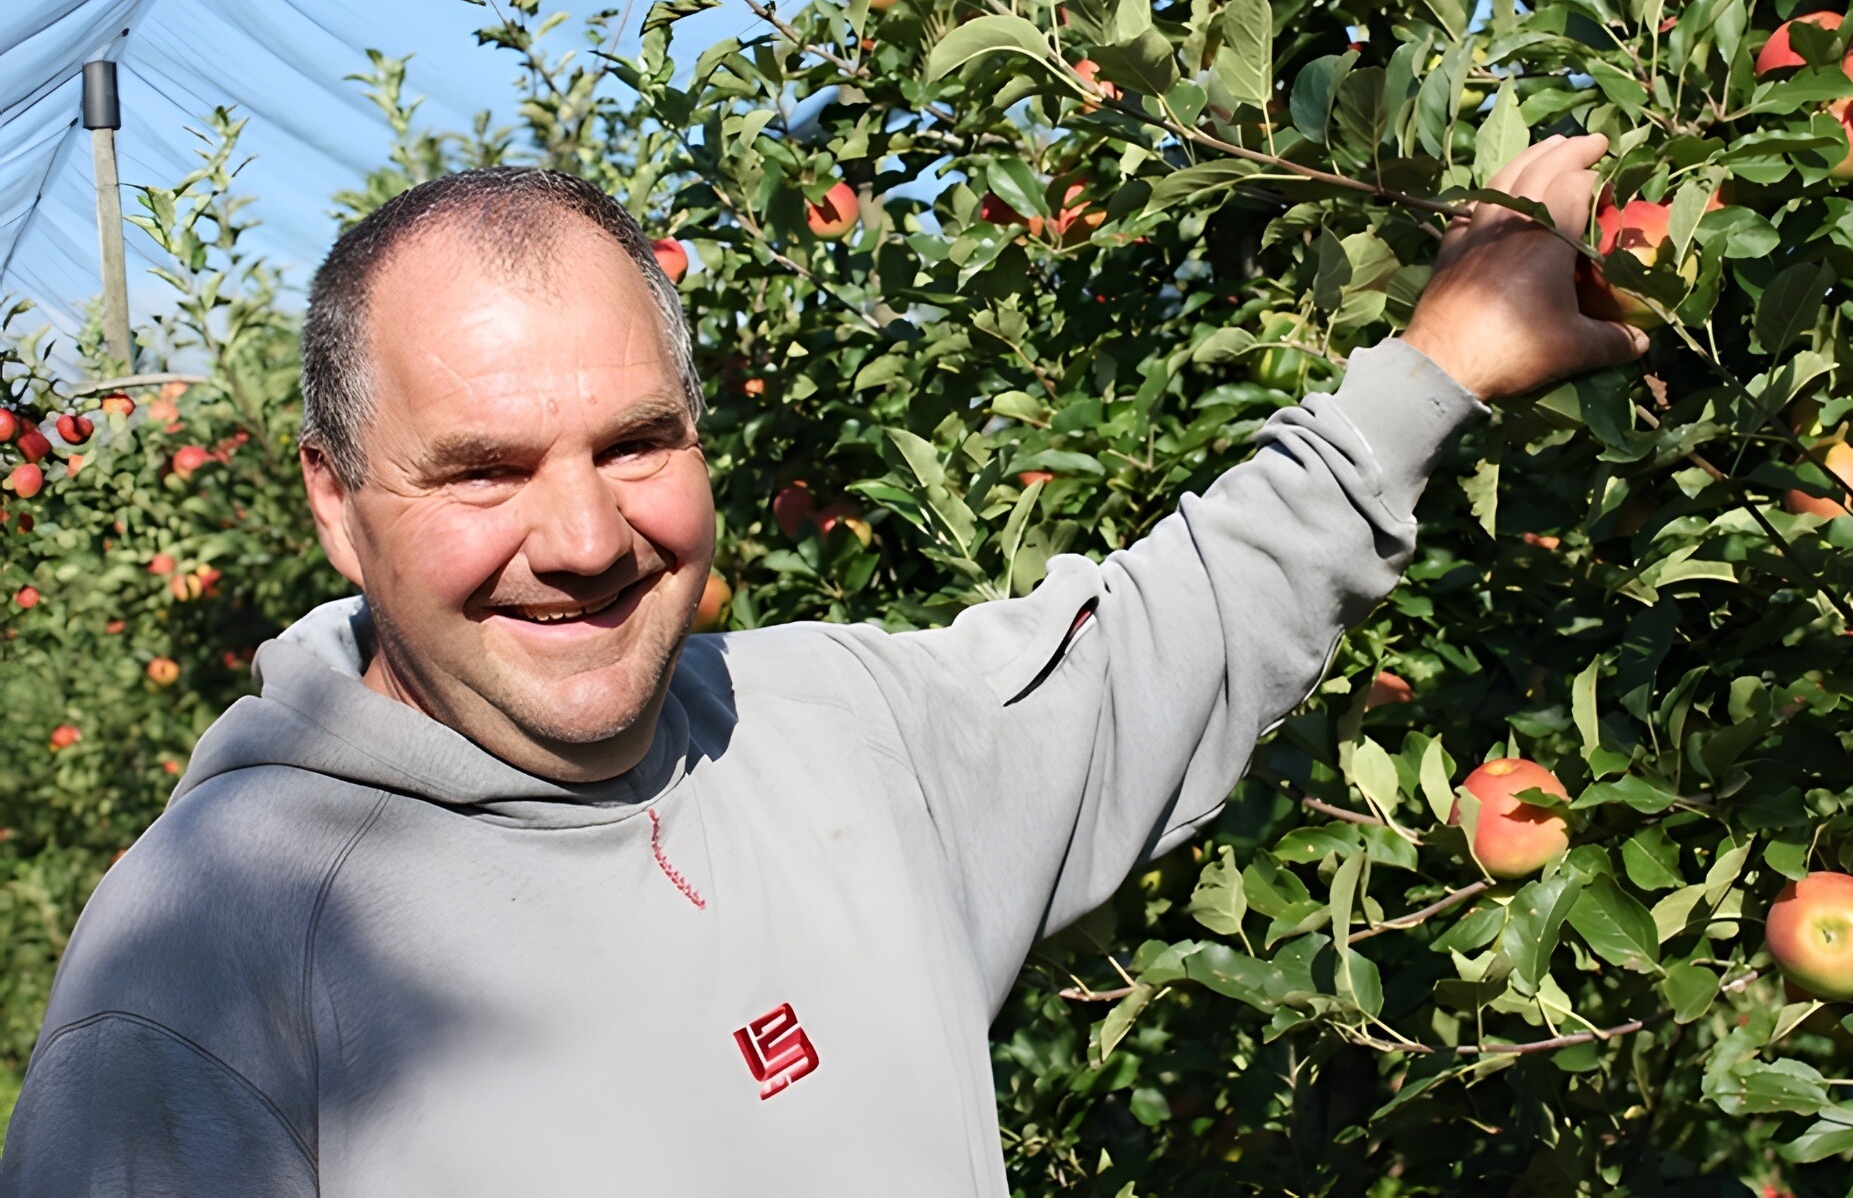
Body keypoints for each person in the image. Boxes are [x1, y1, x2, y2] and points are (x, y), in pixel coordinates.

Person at [0, 136, 1643, 1195]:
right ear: (338, 506)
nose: (580, 538)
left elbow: (1158, 637)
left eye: (637, 444)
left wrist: (1432, 372)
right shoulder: (208, 974)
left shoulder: (832, 730)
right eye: (485, 470)